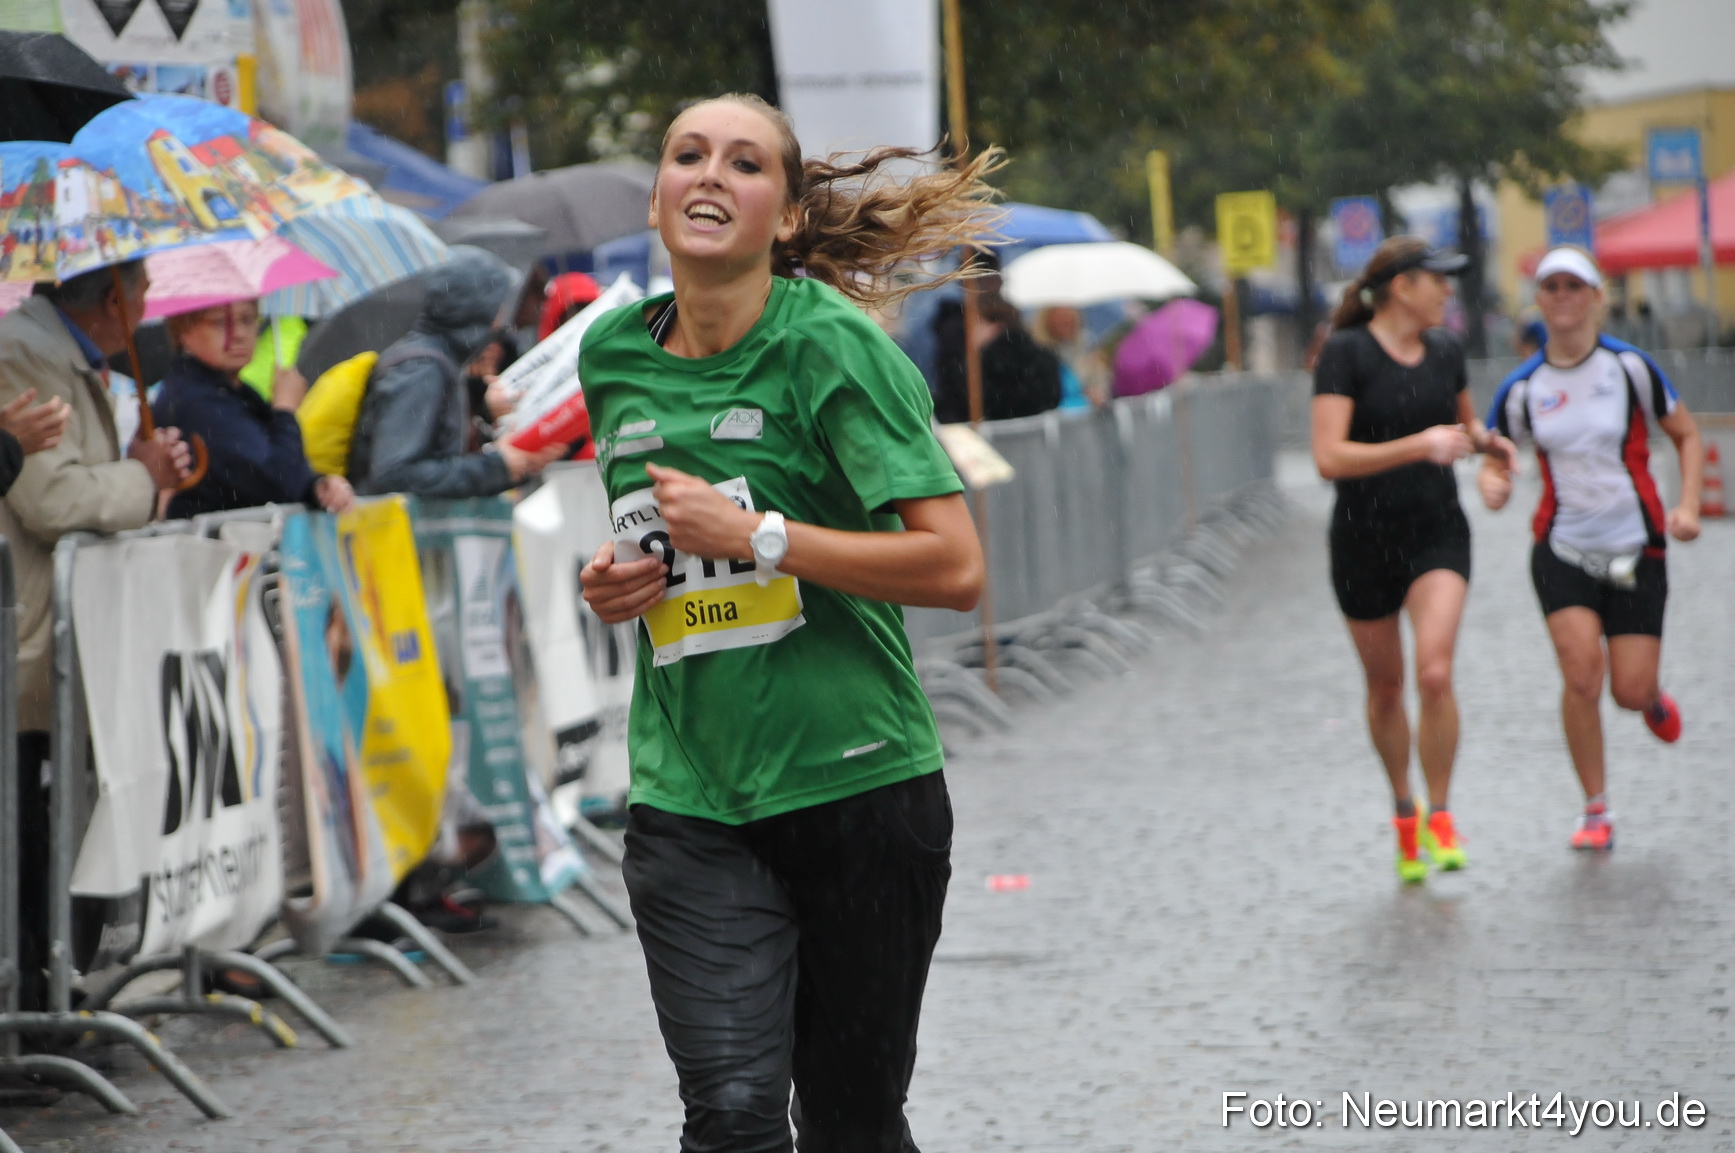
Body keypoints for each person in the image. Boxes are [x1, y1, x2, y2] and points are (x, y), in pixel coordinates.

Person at [577, 93, 994, 1149]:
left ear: (791, 215)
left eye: (745, 162)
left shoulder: (833, 349)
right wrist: (615, 584)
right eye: (687, 155)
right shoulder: (610, 356)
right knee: (731, 1114)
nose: (710, 175)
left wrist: (760, 535)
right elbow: (656, 549)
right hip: (690, 795)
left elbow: (955, 566)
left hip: (859, 785)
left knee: (852, 1122)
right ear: (658, 196)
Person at [0, 261, 192, 1012]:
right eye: (142, 290)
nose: (148, 305)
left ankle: (44, 998)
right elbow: (53, 498)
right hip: (27, 634)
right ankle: (29, 1007)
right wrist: (143, 479)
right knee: (24, 835)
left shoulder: (64, 353)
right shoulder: (25, 353)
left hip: (50, 632)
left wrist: (142, 466)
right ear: (113, 295)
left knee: (41, 833)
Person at [1479, 246, 1701, 852]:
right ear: (1539, 300)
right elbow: (1496, 455)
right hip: (1563, 548)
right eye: (1551, 287)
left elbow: (1685, 434)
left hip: (1634, 545)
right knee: (1581, 676)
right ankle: (1594, 808)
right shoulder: (1524, 387)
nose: (1562, 298)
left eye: (1574, 287)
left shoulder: (1629, 369)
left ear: (1597, 298)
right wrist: (1494, 484)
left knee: (1627, 690)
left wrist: (1685, 505)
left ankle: (1649, 698)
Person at [1311, 236, 1515, 883]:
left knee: (1433, 672)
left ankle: (1442, 813)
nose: (1448, 291)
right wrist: (1416, 445)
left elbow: (1463, 431)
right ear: (1401, 287)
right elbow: (1328, 457)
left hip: (1435, 533)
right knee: (1386, 687)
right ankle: (1405, 807)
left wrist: (1492, 453)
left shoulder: (1446, 350)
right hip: (1362, 541)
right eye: (1438, 279)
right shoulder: (1346, 353)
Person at [346, 246, 567, 500]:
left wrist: (508, 459)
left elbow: (432, 461)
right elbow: (395, 474)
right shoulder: (422, 369)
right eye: (498, 305)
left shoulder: (436, 360)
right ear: (478, 308)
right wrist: (495, 467)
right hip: (397, 526)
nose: (501, 320)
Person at [153, 299, 354, 518]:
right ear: (184, 330)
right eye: (220, 322)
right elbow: (276, 481)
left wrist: (316, 487)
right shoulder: (195, 400)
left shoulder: (233, 391)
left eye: (247, 319)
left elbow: (280, 475)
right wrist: (285, 410)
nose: (239, 334)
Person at [933, 253, 1063, 422]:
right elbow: (955, 392)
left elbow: (1045, 392)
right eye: (981, 279)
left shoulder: (1014, 328)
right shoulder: (954, 329)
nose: (988, 285)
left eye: (992, 277)